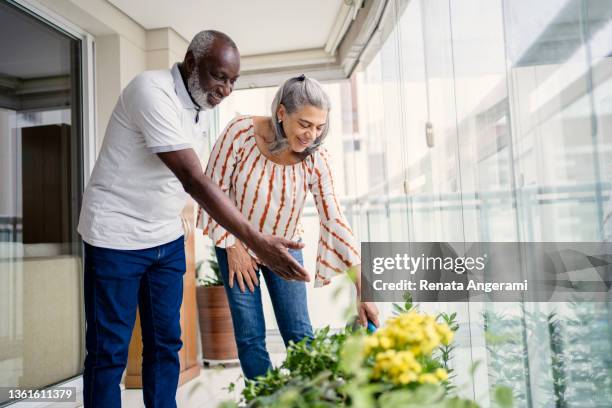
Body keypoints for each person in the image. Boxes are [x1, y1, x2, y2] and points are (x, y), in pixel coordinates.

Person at [77, 30, 308, 408]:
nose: (227, 89)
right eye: (220, 76)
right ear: (191, 63)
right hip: (115, 237)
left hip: (164, 239)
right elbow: (193, 178)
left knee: (166, 343)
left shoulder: (200, 107)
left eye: (233, 81)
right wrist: (255, 240)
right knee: (109, 352)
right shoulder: (150, 91)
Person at [198, 74, 380, 379]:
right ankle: (265, 401)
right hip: (237, 244)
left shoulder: (316, 157)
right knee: (250, 339)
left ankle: (305, 400)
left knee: (300, 336)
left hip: (284, 250)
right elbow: (212, 190)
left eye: (320, 127)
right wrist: (232, 245)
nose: (312, 135)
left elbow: (333, 217)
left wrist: (364, 287)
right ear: (281, 112)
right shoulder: (240, 132)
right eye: (305, 124)